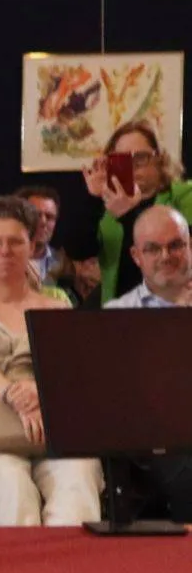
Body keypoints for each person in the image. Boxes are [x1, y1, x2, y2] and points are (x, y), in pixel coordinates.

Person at [0, 196, 101, 526]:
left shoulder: (56, 308)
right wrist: (14, 393)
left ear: (32, 245)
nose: (4, 251)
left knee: (78, 477)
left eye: (15, 241)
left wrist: (39, 393)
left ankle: (70, 560)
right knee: (10, 484)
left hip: (50, 428)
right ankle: (23, 562)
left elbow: (71, 375)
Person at [108, 206, 192, 520]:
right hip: (155, 439)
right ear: (136, 256)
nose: (165, 256)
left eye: (175, 245)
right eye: (153, 249)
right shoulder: (117, 316)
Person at [80, 119, 192, 304]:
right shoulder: (106, 205)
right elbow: (79, 250)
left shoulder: (183, 195)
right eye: (122, 159)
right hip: (119, 308)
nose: (132, 166)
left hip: (173, 307)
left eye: (140, 157)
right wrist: (92, 199)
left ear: (159, 159)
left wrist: (128, 215)